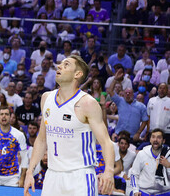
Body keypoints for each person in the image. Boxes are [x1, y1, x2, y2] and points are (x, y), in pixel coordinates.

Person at [23, 55, 115, 196]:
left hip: (79, 176)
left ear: (77, 74)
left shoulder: (87, 103)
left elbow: (106, 142)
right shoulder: (46, 98)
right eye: (60, 64)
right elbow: (41, 140)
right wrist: (30, 171)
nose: (59, 66)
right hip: (52, 175)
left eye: (66, 65)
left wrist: (108, 171)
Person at [0, 106, 28, 186]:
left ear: (10, 117)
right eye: (1, 114)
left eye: (6, 114)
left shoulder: (19, 135)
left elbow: (24, 158)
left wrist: (22, 178)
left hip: (12, 177)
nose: (4, 116)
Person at [128, 128, 170, 196]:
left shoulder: (169, 154)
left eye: (159, 137)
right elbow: (134, 174)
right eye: (153, 137)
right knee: (133, 194)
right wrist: (135, 190)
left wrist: (168, 166)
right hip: (145, 191)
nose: (155, 140)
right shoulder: (142, 154)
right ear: (150, 140)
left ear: (163, 141)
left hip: (164, 192)